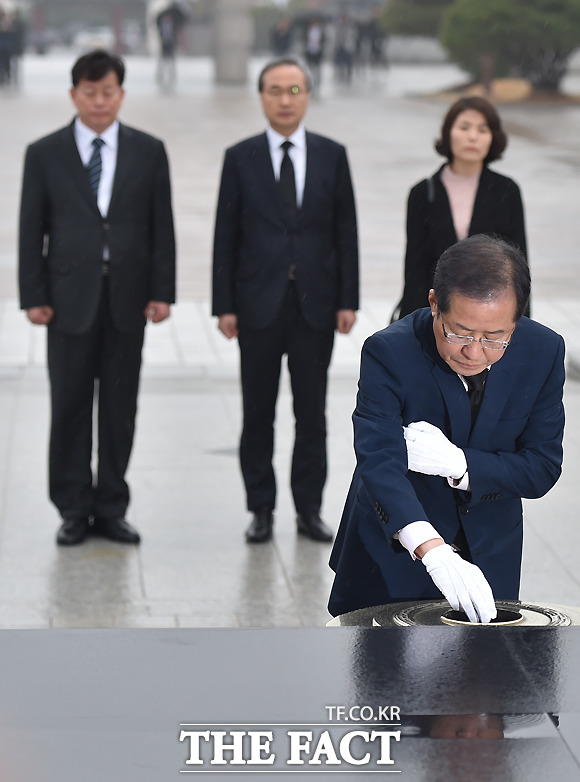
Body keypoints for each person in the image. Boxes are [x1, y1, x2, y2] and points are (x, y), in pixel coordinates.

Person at [329, 234, 564, 622]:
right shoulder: (389, 351)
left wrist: (461, 465)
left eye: (494, 338)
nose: (474, 352)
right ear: (435, 303)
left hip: (489, 552)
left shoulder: (543, 351)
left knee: (482, 677)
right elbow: (379, 459)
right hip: (393, 553)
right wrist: (431, 548)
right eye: (459, 333)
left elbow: (541, 467)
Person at [18, 50, 176, 546]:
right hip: (68, 300)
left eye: (108, 91)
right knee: (68, 405)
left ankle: (111, 506)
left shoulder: (148, 151)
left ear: (121, 94)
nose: (99, 101)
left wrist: (162, 291)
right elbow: (30, 231)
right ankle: (72, 507)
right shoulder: (45, 153)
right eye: (90, 92)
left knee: (119, 407)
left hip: (127, 299)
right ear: (74, 95)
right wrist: (33, 295)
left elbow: (161, 228)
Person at [212, 56, 359, 545]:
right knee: (258, 412)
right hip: (256, 305)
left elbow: (345, 231)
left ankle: (309, 509)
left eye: (293, 90)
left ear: (307, 96)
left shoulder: (332, 154)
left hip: (315, 304)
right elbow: (225, 234)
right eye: (274, 90)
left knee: (311, 413)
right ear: (261, 97)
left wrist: (348, 299)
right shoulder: (240, 156)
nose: (283, 100)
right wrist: (224, 304)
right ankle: (260, 508)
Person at [396, 97, 528, 320]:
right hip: (437, 312)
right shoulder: (423, 193)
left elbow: (519, 264)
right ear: (448, 133)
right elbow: (415, 268)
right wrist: (410, 323)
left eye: (482, 129)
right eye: (464, 127)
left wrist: (522, 321)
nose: (472, 136)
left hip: (491, 313)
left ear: (492, 138)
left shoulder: (507, 191)